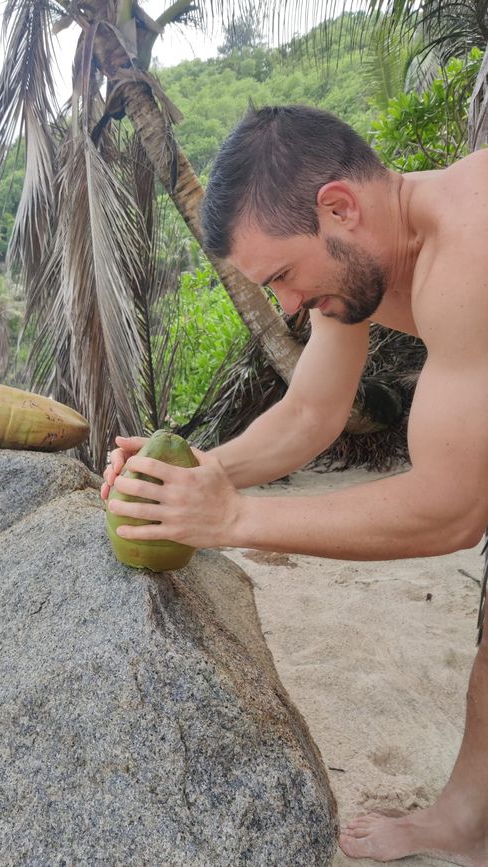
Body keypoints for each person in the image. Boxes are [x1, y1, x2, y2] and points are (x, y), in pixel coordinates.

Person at [100, 105, 488, 865]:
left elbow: (452, 510)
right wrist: (200, 471)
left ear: (339, 207)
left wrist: (233, 519)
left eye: (281, 277)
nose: (286, 308)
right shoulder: (361, 257)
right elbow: (311, 411)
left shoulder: (468, 247)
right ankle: (470, 820)